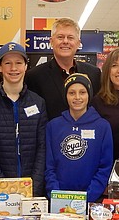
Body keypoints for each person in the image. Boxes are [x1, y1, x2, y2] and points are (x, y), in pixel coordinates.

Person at [0, 42, 47, 196]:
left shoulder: (38, 102)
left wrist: (33, 187)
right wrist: (3, 188)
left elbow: (42, 148)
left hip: (31, 190)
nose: (13, 68)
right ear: (0, 67)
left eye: (18, 63)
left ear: (26, 66)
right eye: (8, 63)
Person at [45, 73, 113, 201]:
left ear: (89, 95)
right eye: (72, 93)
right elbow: (49, 166)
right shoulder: (53, 126)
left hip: (91, 199)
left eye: (82, 92)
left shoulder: (102, 127)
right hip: (58, 199)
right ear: (66, 96)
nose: (77, 97)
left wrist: (88, 197)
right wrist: (56, 195)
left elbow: (105, 167)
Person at [26, 17, 101, 120]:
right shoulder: (34, 77)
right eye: (60, 37)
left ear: (78, 43)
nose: (65, 41)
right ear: (51, 41)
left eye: (70, 37)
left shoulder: (94, 74)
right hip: (51, 135)